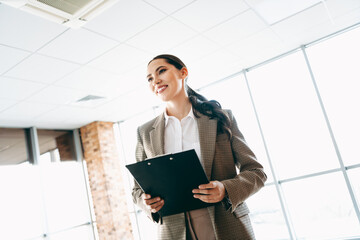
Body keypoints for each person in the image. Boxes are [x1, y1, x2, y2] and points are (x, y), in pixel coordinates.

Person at [132, 54, 267, 240]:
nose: (155, 80)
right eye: (149, 78)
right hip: (174, 231)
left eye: (161, 71)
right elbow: (136, 190)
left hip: (225, 223)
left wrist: (225, 189)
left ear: (183, 72)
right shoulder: (145, 132)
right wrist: (146, 204)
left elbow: (256, 172)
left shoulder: (221, 118)